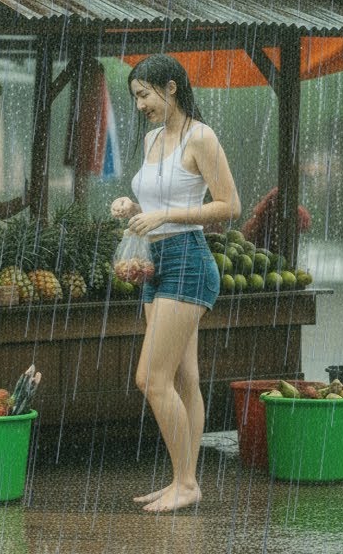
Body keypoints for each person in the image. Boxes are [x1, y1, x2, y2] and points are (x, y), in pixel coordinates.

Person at [109, 53, 240, 513]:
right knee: (184, 378)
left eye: (144, 95)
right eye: (134, 97)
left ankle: (186, 484)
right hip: (154, 262)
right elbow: (155, 201)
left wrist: (165, 214)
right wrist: (133, 208)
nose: (139, 105)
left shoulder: (200, 137)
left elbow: (229, 205)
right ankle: (182, 479)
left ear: (171, 87)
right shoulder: (151, 139)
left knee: (150, 377)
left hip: (188, 259)